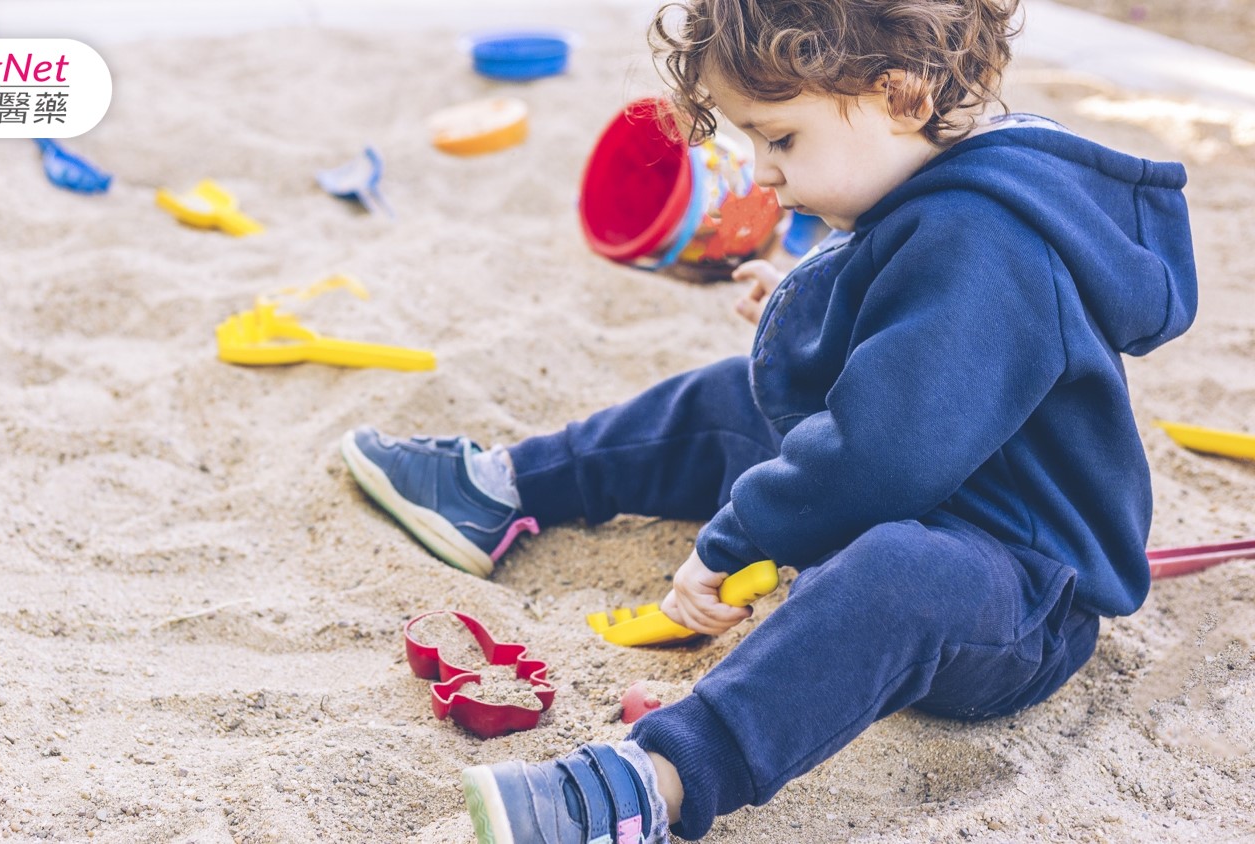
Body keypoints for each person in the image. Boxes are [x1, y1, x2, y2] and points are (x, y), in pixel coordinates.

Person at [340, 0, 1198, 839]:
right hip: (928, 493)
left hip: (1012, 596)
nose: (761, 173)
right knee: (735, 399)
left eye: (780, 139)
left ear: (900, 94)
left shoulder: (990, 237)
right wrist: (804, 309)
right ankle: (509, 488)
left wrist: (735, 541)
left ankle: (656, 782)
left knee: (897, 573)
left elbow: (884, 454)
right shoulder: (932, 175)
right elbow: (902, 340)